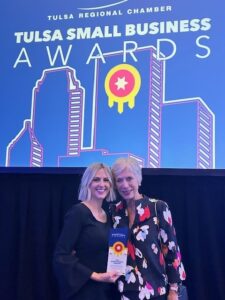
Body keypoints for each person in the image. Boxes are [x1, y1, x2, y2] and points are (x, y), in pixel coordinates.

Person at [110, 158, 186, 300]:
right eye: (119, 180)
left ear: (138, 179)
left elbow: (172, 251)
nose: (125, 185)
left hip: (157, 292)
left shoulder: (158, 207)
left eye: (129, 178)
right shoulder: (115, 212)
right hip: (126, 292)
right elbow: (115, 252)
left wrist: (174, 291)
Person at [53, 163, 121, 300]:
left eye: (106, 180)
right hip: (82, 291)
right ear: (87, 183)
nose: (102, 184)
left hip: (105, 291)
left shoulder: (109, 216)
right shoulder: (78, 213)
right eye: (96, 179)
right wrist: (95, 276)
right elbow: (61, 256)